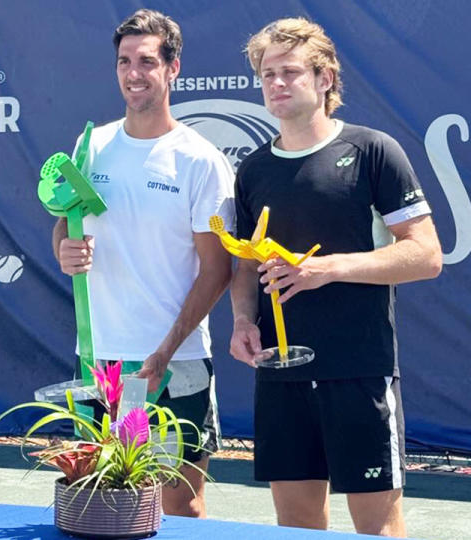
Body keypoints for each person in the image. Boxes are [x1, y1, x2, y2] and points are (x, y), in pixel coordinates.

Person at [229, 18, 442, 537]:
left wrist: (327, 268)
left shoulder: (373, 150)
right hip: (281, 374)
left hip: (359, 369)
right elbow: (244, 266)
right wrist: (241, 319)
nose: (276, 84)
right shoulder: (253, 169)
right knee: (296, 527)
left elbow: (426, 255)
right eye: (267, 74)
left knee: (378, 528)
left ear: (325, 78)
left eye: (290, 72)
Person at [52, 9, 234, 518]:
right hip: (98, 362)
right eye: (124, 61)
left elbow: (217, 270)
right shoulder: (92, 147)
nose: (134, 73)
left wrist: (163, 352)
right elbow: (67, 225)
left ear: (173, 68)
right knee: (92, 501)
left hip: (173, 365)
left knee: (177, 507)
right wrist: (62, 247)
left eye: (148, 61)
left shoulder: (199, 160)